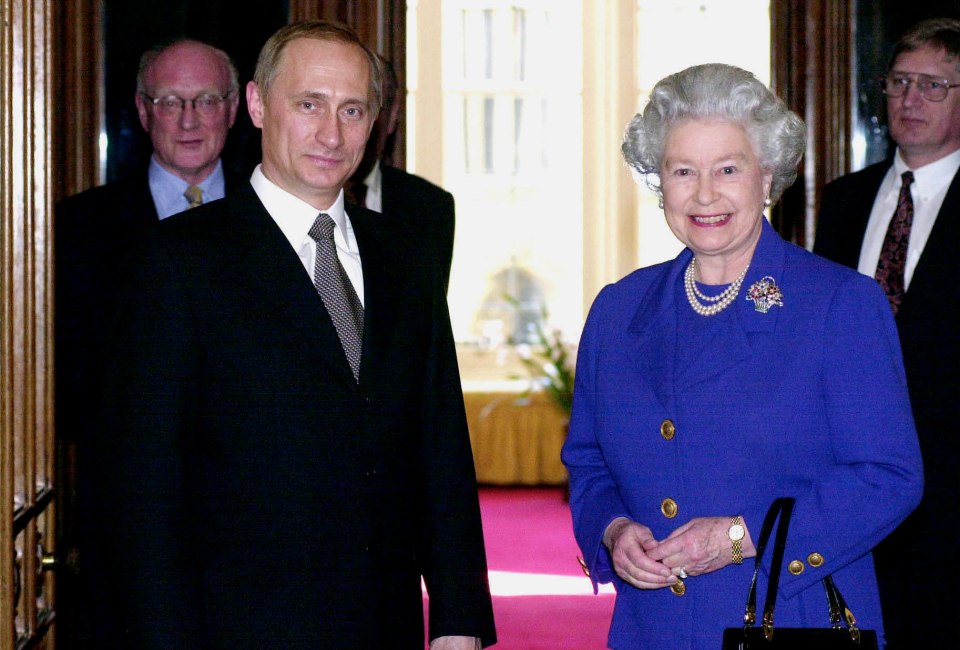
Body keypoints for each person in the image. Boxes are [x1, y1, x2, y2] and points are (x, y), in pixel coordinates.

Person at [91, 20, 495, 649]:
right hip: (236, 629)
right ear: (256, 104)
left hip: (383, 625)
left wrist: (459, 617)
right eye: (309, 104)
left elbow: (439, 446)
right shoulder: (176, 262)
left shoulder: (404, 256)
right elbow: (142, 491)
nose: (331, 133)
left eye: (352, 109)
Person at [561, 63, 923, 649]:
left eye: (727, 169)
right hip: (651, 630)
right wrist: (613, 529)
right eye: (683, 171)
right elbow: (589, 461)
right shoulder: (618, 310)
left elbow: (889, 478)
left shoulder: (839, 305)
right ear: (660, 182)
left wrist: (738, 537)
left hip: (791, 619)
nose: (704, 194)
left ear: (767, 175)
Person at [54, 38, 241, 648]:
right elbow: (67, 383)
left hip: (254, 530)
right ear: (141, 110)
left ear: (235, 109)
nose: (189, 119)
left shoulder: (275, 221)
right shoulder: (77, 230)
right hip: (126, 530)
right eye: (170, 101)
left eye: (206, 100)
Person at [813, 17, 960, 647]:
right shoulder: (843, 200)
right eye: (900, 81)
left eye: (933, 85)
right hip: (846, 488)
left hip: (951, 497)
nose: (910, 99)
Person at [348, 54, 456, 289]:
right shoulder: (308, 195)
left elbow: (429, 315)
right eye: (353, 110)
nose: (367, 122)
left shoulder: (430, 207)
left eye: (378, 107)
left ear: (394, 114)